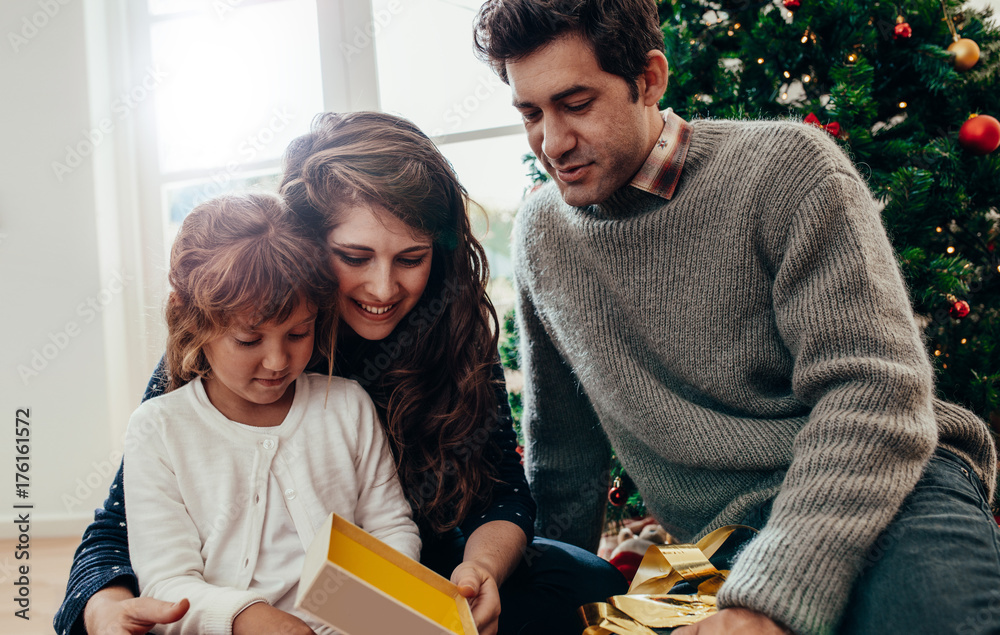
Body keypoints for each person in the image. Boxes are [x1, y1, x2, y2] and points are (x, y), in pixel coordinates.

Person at [472, 1, 1000, 634]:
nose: (552, 143)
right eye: (530, 113)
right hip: (719, 546)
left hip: (895, 484)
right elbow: (563, 457)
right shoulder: (541, 235)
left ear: (650, 79)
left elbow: (876, 392)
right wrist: (545, 591)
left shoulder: (788, 171)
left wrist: (766, 600)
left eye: (576, 104)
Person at [55, 111, 627, 635]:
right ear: (304, 244)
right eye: (354, 257)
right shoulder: (229, 345)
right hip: (238, 605)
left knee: (587, 585)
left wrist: (479, 571)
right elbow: (120, 530)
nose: (382, 289)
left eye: (411, 258)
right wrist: (107, 611)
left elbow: (502, 498)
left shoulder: (448, 330)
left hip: (412, 578)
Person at [124, 192, 420, 635]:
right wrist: (245, 618)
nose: (278, 361)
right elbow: (166, 582)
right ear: (193, 323)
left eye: (299, 333)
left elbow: (390, 526)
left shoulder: (346, 405)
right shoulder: (159, 429)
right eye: (249, 341)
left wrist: (381, 608)